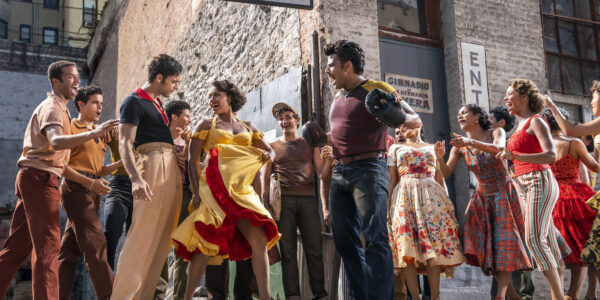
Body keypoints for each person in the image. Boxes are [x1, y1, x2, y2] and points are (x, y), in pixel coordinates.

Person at [0, 60, 117, 299]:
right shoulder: (53, 108)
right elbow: (55, 142)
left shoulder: (61, 109)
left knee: (16, 249)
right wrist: (94, 132)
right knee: (48, 247)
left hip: (37, 177)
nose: (77, 81)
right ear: (56, 81)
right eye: (71, 77)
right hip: (41, 179)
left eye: (77, 76)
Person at [323, 39, 421, 300]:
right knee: (344, 241)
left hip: (369, 169)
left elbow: (415, 118)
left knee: (375, 238)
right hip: (339, 173)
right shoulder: (338, 97)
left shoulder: (378, 88)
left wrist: (394, 114)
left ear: (348, 65)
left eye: (331, 66)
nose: (327, 71)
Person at [170, 80, 280, 300]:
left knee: (258, 240)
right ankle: (186, 297)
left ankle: (266, 297)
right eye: (210, 97)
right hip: (214, 191)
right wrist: (196, 193)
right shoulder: (205, 125)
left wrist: (265, 157)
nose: (212, 100)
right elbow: (192, 160)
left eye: (216, 95)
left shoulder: (248, 126)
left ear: (229, 97)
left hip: (243, 192)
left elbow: (270, 151)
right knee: (205, 246)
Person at [435, 104, 531, 300]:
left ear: (478, 116)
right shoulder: (460, 147)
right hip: (482, 198)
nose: (459, 115)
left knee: (505, 245)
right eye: (458, 113)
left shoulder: (496, 132)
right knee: (487, 249)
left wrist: (469, 141)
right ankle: (514, 297)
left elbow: (499, 149)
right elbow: (446, 173)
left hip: (503, 193)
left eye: (464, 112)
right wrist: (438, 159)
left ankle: (501, 296)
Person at [110, 54, 186, 299]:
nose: (176, 87)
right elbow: (124, 144)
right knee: (141, 239)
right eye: (173, 82)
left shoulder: (157, 103)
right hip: (150, 166)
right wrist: (135, 179)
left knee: (163, 241)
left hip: (170, 167)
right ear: (159, 77)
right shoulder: (132, 102)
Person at [496, 78, 567, 300]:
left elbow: (551, 155)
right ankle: (559, 294)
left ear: (524, 96)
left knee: (534, 240)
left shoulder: (537, 121)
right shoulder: (518, 125)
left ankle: (558, 296)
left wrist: (515, 156)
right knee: (545, 240)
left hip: (540, 180)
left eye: (510, 94)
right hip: (524, 184)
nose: (506, 98)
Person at [57, 85, 122, 300]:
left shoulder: (100, 133)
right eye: (95, 102)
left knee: (68, 253)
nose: (100, 107)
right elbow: (62, 166)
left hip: (92, 192)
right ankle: (111, 296)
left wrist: (121, 162)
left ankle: (57, 296)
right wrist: (91, 184)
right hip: (75, 189)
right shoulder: (71, 128)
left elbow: (98, 169)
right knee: (96, 243)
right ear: (81, 104)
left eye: (102, 103)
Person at [261, 102, 328, 300]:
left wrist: (330, 160)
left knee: (314, 249)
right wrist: (266, 207)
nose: (284, 121)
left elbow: (322, 173)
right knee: (288, 251)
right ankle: (292, 295)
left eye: (288, 117)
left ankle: (320, 294)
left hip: (308, 201)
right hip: (283, 203)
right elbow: (265, 179)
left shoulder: (309, 144)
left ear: (297, 120)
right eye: (281, 119)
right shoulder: (272, 147)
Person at [544, 80, 600, 299]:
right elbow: (592, 165)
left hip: (554, 196)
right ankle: (582, 294)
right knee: (590, 247)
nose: (590, 101)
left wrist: (549, 103)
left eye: (593, 96)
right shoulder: (575, 142)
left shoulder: (544, 146)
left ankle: (570, 295)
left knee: (573, 249)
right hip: (578, 195)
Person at [488, 106, 535, 300]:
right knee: (501, 252)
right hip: (498, 202)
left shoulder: (510, 146)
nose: (486, 122)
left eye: (489, 119)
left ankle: (523, 295)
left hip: (516, 200)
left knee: (519, 250)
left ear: (501, 124)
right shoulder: (486, 143)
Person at [154, 100, 193, 300]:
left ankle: (179, 296)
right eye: (186, 116)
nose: (189, 120)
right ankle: (159, 295)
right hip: (165, 195)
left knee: (183, 249)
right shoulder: (159, 141)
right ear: (175, 117)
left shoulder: (189, 141)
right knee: (161, 247)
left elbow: (194, 167)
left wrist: (188, 149)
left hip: (186, 196)